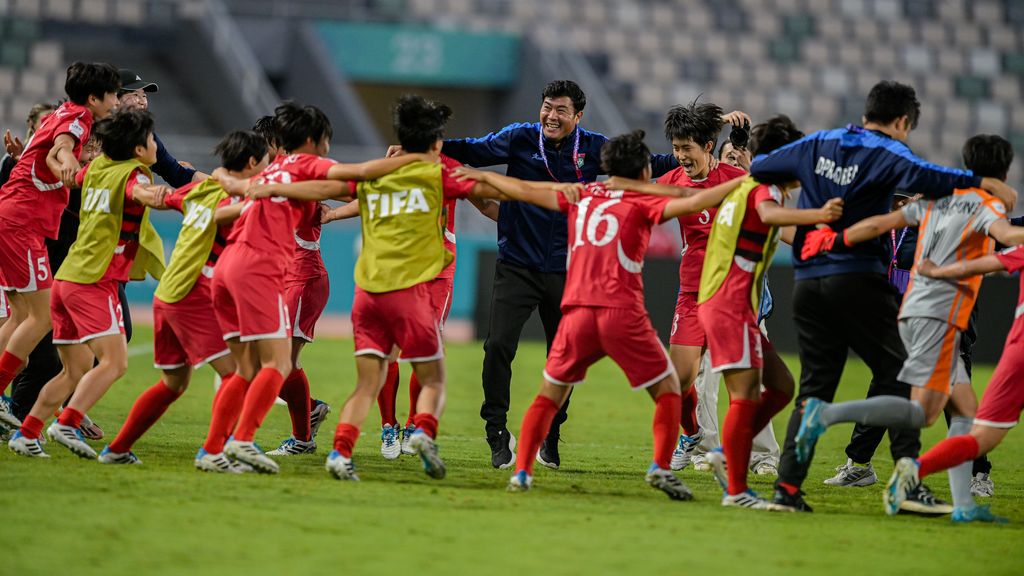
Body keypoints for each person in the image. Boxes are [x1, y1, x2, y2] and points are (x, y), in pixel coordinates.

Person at [748, 81, 1017, 512]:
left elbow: (760, 167)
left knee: (814, 389)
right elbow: (933, 178)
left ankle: (788, 489)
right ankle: (907, 484)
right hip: (856, 278)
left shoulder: (818, 141)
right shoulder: (888, 151)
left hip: (807, 283)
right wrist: (981, 180)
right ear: (902, 121)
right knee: (904, 373)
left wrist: (812, 197)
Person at [243, 94, 530, 481]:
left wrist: (268, 188)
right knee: (434, 374)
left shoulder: (376, 171)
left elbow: (329, 187)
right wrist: (558, 197)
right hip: (413, 287)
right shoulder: (442, 173)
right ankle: (421, 429)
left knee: (367, 380)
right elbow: (492, 186)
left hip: (369, 290)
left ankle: (343, 451)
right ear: (436, 140)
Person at [456, 130, 745, 498]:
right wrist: (748, 181)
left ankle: (523, 472)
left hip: (577, 314)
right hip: (622, 314)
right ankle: (660, 466)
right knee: (671, 390)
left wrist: (473, 174)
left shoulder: (580, 194)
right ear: (643, 170)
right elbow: (693, 201)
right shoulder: (643, 203)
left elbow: (519, 189)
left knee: (548, 395)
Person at [438, 80, 679, 469]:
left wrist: (690, 160)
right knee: (497, 346)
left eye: (561, 110)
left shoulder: (595, 147)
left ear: (577, 115)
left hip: (568, 270)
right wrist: (423, 149)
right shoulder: (518, 138)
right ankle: (496, 433)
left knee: (563, 358)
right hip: (515, 264)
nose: (551, 115)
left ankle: (551, 434)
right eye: (547, 106)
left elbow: (649, 163)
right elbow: (471, 150)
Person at [205, 102, 424, 474]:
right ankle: (248, 439)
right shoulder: (290, 169)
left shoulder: (272, 174)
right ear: (312, 141)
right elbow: (359, 175)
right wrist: (417, 162)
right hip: (263, 272)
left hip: (268, 272)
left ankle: (224, 446)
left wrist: (230, 183)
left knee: (253, 366)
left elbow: (348, 187)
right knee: (270, 365)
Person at [8, 108, 170, 459]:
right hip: (96, 281)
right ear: (139, 149)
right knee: (115, 362)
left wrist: (36, 156)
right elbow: (143, 194)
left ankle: (27, 432)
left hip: (66, 278)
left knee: (75, 369)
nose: (156, 144)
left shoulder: (95, 169)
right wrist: (170, 198)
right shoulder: (134, 176)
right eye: (151, 139)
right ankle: (67, 423)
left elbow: (61, 168)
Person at [99, 131, 268, 466]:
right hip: (193, 294)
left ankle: (117, 449)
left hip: (168, 294)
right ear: (251, 164)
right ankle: (213, 451)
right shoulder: (239, 202)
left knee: (174, 382)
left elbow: (168, 199)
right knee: (238, 373)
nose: (269, 168)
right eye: (266, 162)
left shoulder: (200, 188)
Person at [823, 192, 995, 497]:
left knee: (955, 405)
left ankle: (978, 473)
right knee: (885, 388)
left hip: (950, 329)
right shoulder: (897, 233)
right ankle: (860, 463)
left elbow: (1005, 232)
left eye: (909, 199)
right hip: (906, 329)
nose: (903, 205)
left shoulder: (959, 226)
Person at [0, 62, 120, 430]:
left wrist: (60, 161)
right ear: (94, 98)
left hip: (16, 216)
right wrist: (67, 163)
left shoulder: (66, 113)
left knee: (21, 316)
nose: (116, 102)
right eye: (113, 95)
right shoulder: (78, 118)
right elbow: (62, 148)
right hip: (23, 221)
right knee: (43, 315)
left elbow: (53, 152)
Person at [885, 243, 1024, 524]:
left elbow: (986, 263)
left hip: (1017, 350)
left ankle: (915, 469)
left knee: (980, 434)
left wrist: (940, 271)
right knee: (953, 417)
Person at [651, 101, 752, 471]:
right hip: (692, 292)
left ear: (708, 147)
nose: (680, 157)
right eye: (676, 149)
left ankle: (751, 457)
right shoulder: (673, 181)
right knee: (678, 380)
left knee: (742, 383)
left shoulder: (734, 178)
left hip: (734, 294)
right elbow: (640, 200)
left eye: (686, 149)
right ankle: (691, 434)